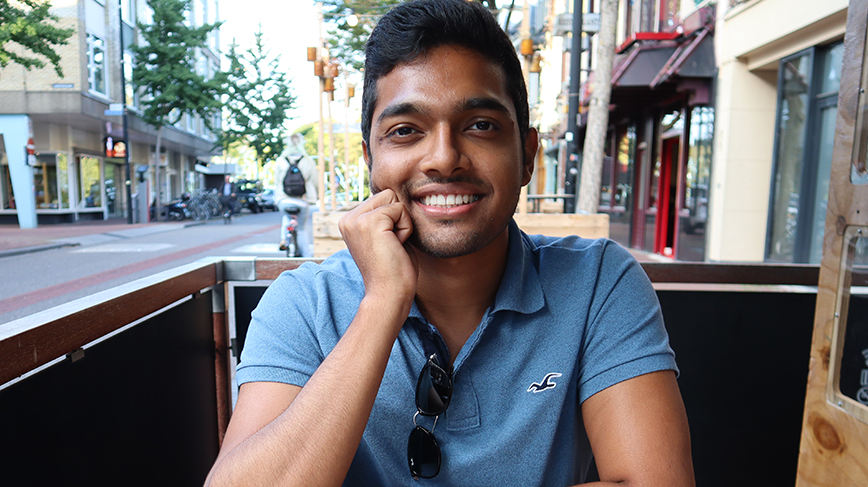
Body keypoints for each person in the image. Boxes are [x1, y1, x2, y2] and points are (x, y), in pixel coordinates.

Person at [205, 1, 694, 486]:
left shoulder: (598, 282)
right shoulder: (304, 303)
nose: (443, 158)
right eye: (405, 131)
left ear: (527, 155)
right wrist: (381, 305)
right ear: (369, 160)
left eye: (480, 125)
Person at [274, 133, 318, 257]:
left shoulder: (281, 161)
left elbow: (276, 181)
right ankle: (306, 257)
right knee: (301, 229)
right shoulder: (308, 161)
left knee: (287, 216)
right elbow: (315, 181)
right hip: (302, 200)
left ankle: (284, 238)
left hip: (284, 199)